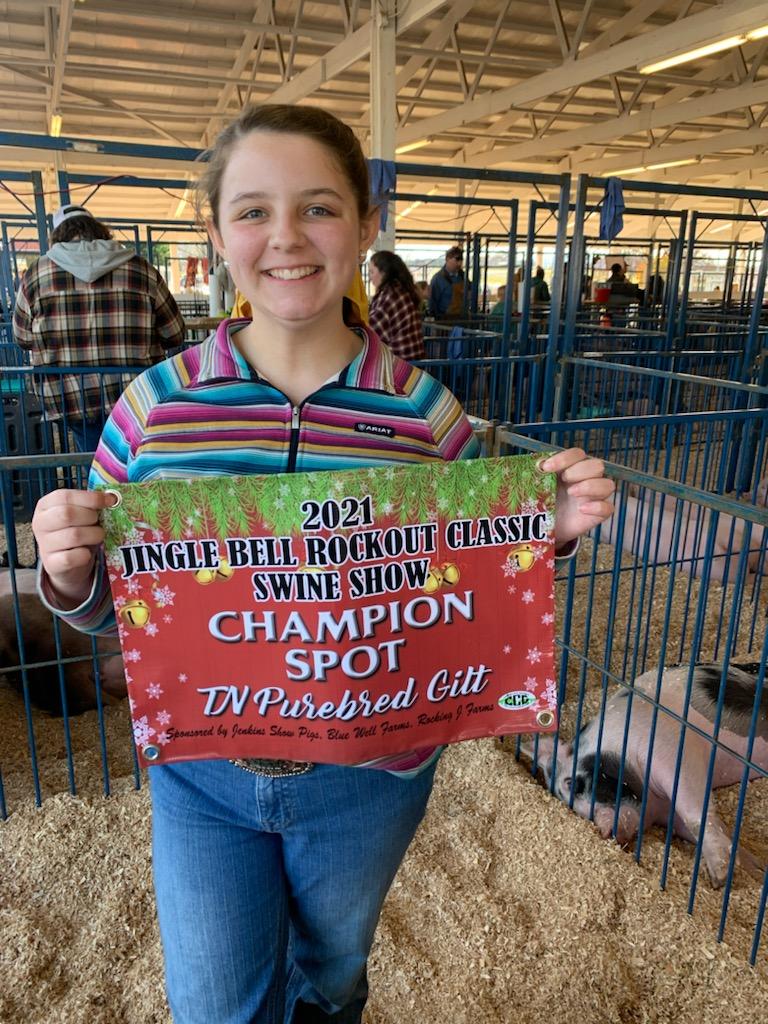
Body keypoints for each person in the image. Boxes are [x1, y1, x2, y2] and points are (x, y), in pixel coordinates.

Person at [31, 103, 615, 1024]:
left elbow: (473, 578)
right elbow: (118, 610)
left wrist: (555, 529)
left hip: (373, 775)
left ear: (367, 225)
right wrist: (67, 573)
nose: (287, 238)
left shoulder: (426, 413)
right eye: (254, 211)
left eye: (319, 208)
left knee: (333, 971)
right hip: (205, 773)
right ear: (215, 231)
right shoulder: (153, 408)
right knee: (218, 1004)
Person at [12, 204, 185, 452]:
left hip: (70, 397)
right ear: (99, 230)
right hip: (137, 395)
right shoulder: (141, 268)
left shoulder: (36, 274)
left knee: (94, 463)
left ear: (58, 235)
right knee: (140, 461)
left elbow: (22, 338)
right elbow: (175, 333)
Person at [368, 250, 425, 360]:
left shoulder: (390, 296)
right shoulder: (403, 290)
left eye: (372, 272)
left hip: (398, 368)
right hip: (414, 366)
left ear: (384, 273)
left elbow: (371, 334)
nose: (370, 277)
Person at [427, 245, 469, 320]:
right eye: (457, 259)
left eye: (461, 260)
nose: (459, 263)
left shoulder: (463, 277)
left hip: (462, 321)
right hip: (444, 323)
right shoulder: (438, 279)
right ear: (447, 259)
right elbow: (432, 304)